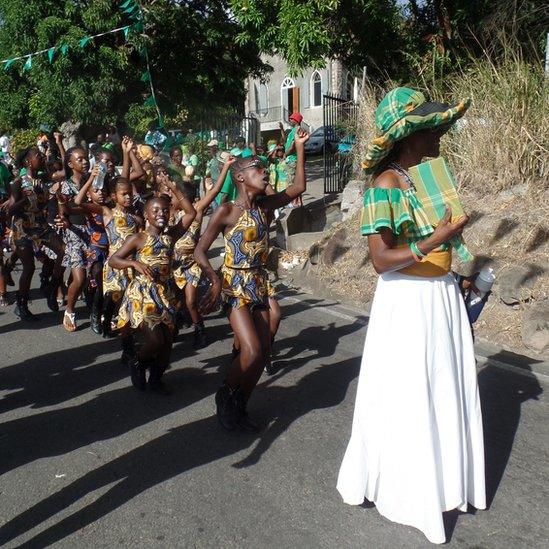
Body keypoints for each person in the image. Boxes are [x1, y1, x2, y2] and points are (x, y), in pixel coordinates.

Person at [336, 87, 485, 545]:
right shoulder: (385, 185)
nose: (439, 134)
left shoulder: (428, 175)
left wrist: (452, 267)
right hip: (407, 303)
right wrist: (437, 237)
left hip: (437, 297)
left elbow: (437, 243)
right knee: (412, 392)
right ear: (408, 135)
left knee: (443, 387)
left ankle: (442, 485)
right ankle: (408, 492)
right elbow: (382, 258)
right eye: (431, 128)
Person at [194, 128, 310, 431]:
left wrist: (298, 147)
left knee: (262, 352)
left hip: (258, 281)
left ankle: (240, 403)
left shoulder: (263, 206)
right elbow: (200, 251)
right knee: (253, 350)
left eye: (265, 168)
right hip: (234, 284)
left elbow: (297, 187)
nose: (266, 172)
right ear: (241, 177)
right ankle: (226, 394)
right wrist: (216, 281)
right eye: (259, 169)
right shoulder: (227, 211)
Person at [109, 179, 196, 394]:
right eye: (155, 210)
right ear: (146, 215)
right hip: (142, 295)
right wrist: (134, 263)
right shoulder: (138, 238)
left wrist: (174, 188)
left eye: (165, 210)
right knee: (156, 340)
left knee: (167, 345)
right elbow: (114, 260)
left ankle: (156, 380)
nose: (161, 214)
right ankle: (137, 362)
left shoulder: (170, 236)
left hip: (164, 294)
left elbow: (191, 214)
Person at [173, 156, 235, 347]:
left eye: (176, 195)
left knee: (191, 300)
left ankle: (199, 328)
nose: (172, 196)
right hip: (173, 266)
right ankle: (175, 323)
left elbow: (215, 190)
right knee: (176, 301)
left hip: (191, 264)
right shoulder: (167, 213)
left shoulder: (196, 212)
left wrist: (225, 167)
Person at [6, 147, 65, 320]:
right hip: (22, 227)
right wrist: (25, 198)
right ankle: (21, 305)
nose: (41, 157)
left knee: (64, 251)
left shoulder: (44, 177)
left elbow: (65, 172)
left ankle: (51, 286)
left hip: (39, 224)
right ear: (27, 161)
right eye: (37, 155)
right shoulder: (18, 182)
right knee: (29, 267)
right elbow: (11, 209)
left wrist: (60, 145)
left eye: (40, 154)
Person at [282, 112, 303, 207]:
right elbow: (286, 140)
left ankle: (295, 202)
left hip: (292, 159)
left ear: (296, 120)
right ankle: (298, 202)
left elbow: (293, 146)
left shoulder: (298, 130)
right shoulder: (293, 130)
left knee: (292, 182)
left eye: (291, 118)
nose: (290, 120)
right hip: (291, 159)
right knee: (294, 181)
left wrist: (286, 154)